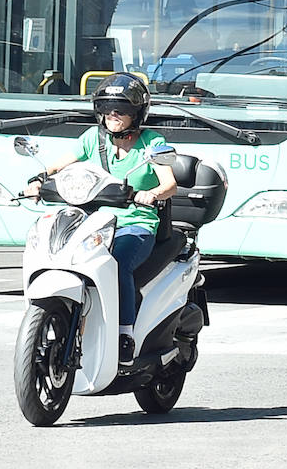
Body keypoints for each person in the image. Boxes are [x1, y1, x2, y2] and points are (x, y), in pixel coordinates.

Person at [24, 73, 178, 365]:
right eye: (107, 110)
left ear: (136, 113)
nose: (113, 116)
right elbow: (59, 166)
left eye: (120, 110)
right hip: (94, 220)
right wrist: (38, 181)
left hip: (135, 224)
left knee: (115, 263)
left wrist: (152, 194)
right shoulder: (92, 138)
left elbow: (169, 184)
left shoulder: (152, 142)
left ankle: (124, 334)